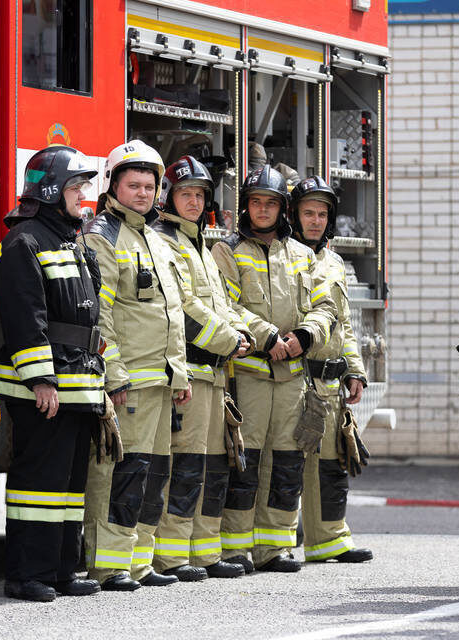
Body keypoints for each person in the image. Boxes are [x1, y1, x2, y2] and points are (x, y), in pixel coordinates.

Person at [0, 145, 106, 602]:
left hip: (78, 384)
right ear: (55, 189)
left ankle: (60, 570)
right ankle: (26, 576)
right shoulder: (24, 241)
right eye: (78, 187)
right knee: (37, 487)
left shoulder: (69, 237)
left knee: (68, 487)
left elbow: (89, 317)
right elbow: (25, 317)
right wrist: (41, 380)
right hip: (47, 387)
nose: (84, 196)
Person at [212, 165, 337, 573]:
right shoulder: (228, 251)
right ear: (245, 206)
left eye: (271, 203)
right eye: (255, 202)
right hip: (248, 372)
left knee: (286, 461)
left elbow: (325, 306)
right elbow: (226, 305)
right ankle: (234, 548)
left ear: (282, 207)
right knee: (244, 460)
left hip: (291, 376)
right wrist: (268, 338)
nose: (263, 210)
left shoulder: (302, 255)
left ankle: (274, 547)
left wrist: (304, 336)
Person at [82, 140, 192, 591]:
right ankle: (109, 564)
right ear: (114, 186)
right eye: (134, 185)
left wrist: (180, 372)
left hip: (163, 381)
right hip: (129, 381)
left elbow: (175, 312)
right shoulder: (101, 236)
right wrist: (113, 372)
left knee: (153, 474)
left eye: (149, 185)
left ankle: (140, 560)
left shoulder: (159, 239)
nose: (143, 193)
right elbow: (99, 315)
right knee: (119, 473)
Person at [150, 156, 255, 580]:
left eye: (199, 195)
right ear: (168, 197)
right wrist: (231, 340)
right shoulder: (164, 240)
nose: (194, 201)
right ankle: (173, 555)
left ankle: (205, 552)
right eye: (185, 194)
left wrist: (249, 333)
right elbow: (184, 307)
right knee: (186, 465)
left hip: (214, 374)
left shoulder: (200, 244)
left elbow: (222, 303)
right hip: (189, 371)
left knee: (213, 465)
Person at [290, 176, 373, 564]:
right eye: (308, 212)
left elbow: (346, 323)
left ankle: (330, 540)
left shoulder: (334, 261)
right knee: (289, 461)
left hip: (329, 380)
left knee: (331, 462)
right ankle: (279, 541)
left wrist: (354, 370)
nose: (316, 221)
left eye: (323, 214)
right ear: (294, 214)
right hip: (293, 376)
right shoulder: (282, 256)